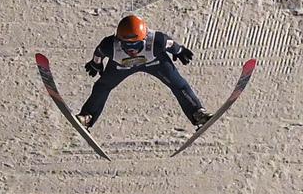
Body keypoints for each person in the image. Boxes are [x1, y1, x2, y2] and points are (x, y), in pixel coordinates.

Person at [76, 15, 212, 129]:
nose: (132, 50)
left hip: (155, 63)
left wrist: (180, 51)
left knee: (178, 84)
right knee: (102, 87)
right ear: (118, 40)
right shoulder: (109, 45)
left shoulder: (157, 41)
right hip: (122, 66)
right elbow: (99, 52)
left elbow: (171, 44)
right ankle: (87, 116)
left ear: (145, 38)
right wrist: (95, 63)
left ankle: (197, 113)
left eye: (136, 44)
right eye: (125, 44)